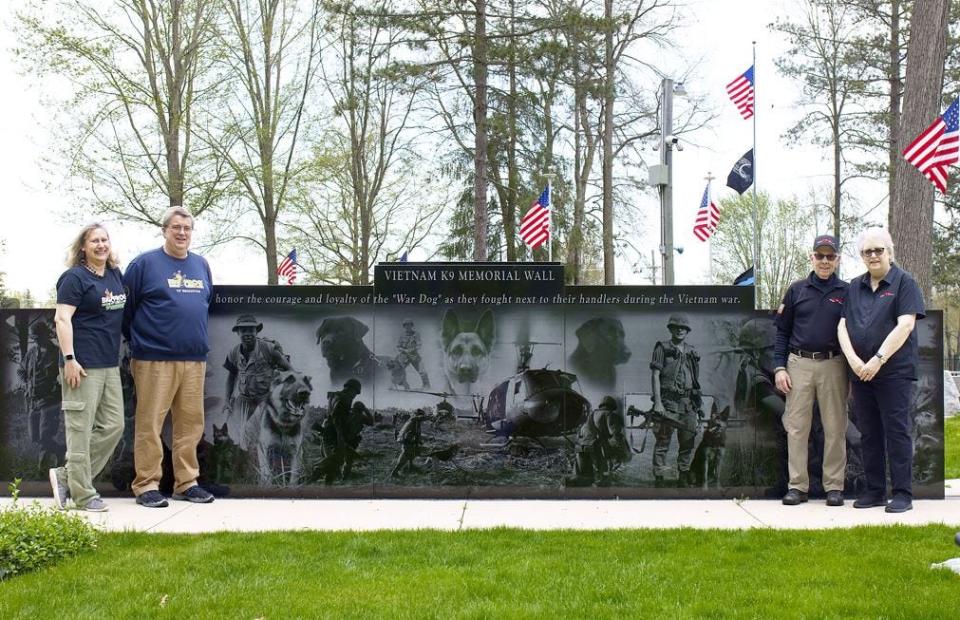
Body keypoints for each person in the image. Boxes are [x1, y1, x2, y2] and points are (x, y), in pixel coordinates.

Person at [123, 206, 214, 508]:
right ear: (164, 230)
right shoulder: (144, 265)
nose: (182, 233)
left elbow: (205, 304)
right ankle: (146, 484)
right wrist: (142, 343)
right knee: (150, 423)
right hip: (154, 359)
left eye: (187, 228)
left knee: (190, 424)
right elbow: (126, 310)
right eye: (176, 227)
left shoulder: (201, 265)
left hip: (194, 358)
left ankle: (186, 482)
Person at [838, 227, 924, 513]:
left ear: (889, 251)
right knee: (869, 433)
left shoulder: (905, 283)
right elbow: (842, 326)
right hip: (861, 373)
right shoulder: (854, 286)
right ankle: (874, 491)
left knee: (896, 432)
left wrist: (877, 359)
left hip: (893, 372)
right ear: (862, 256)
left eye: (878, 250)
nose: (873, 256)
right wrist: (854, 361)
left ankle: (902, 494)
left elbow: (906, 325)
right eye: (867, 252)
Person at [48, 223, 126, 512]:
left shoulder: (115, 275)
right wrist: (69, 359)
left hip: (109, 364)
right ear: (83, 246)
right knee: (79, 431)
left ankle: (66, 477)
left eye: (104, 240)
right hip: (81, 365)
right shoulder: (74, 278)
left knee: (114, 426)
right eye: (94, 241)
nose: (101, 245)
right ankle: (83, 496)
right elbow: (61, 319)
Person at [774, 234, 848, 507]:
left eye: (830, 256)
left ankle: (834, 487)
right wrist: (779, 367)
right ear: (812, 257)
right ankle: (797, 486)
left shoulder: (847, 291)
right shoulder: (796, 290)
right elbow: (782, 333)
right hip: (798, 364)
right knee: (796, 428)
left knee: (835, 427)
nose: (825, 261)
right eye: (820, 256)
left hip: (834, 364)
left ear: (837, 259)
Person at [650, 314, 703, 487]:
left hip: (688, 403)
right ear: (670, 329)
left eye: (683, 328)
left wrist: (698, 404)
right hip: (668, 402)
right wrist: (658, 402)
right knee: (663, 440)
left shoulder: (692, 351)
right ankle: (659, 475)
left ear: (687, 331)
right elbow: (655, 375)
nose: (680, 330)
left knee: (688, 441)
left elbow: (696, 379)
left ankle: (683, 474)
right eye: (676, 327)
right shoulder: (662, 348)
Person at [223, 314, 290, 434]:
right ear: (238, 332)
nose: (247, 334)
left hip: (266, 398)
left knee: (266, 433)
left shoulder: (269, 349)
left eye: (251, 330)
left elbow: (290, 370)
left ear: (256, 331)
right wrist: (227, 400)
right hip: (245, 399)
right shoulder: (233, 353)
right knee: (231, 431)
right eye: (243, 330)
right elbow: (231, 376)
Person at [568, 396, 631, 486]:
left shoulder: (591, 414)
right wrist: (621, 451)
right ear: (612, 406)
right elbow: (615, 433)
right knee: (601, 476)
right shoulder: (610, 414)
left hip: (580, 447)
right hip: (594, 447)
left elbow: (581, 430)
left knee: (582, 475)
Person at [396, 318, 430, 389]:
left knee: (421, 370)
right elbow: (398, 346)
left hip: (414, 355)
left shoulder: (416, 334)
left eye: (409, 325)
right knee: (397, 369)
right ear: (404, 326)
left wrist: (413, 349)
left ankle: (426, 385)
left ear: (412, 326)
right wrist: (405, 351)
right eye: (406, 325)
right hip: (404, 356)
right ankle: (401, 385)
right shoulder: (402, 335)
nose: (408, 327)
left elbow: (419, 344)